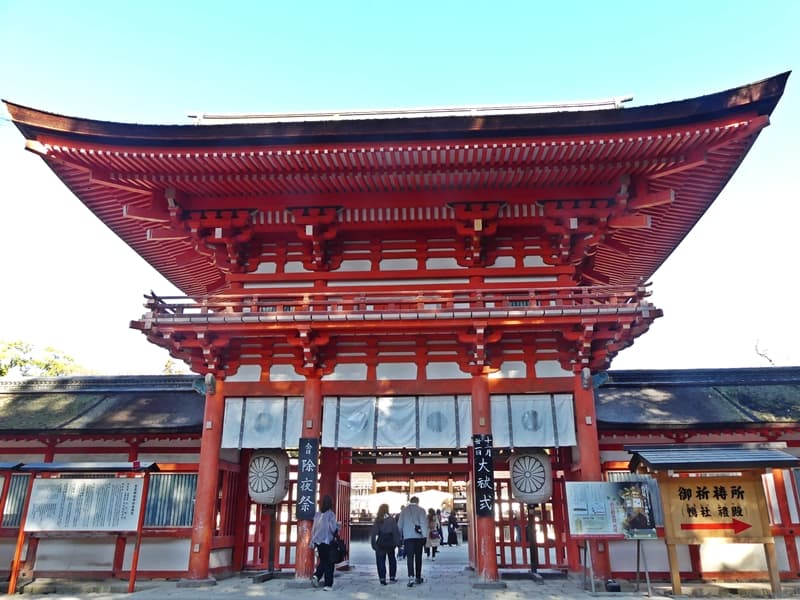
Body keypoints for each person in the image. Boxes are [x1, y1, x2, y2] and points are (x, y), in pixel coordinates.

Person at [310, 495, 339, 591]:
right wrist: (338, 525)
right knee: (329, 564)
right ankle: (328, 585)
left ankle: (317, 576)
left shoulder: (317, 514)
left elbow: (314, 529)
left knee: (323, 560)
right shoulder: (330, 514)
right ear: (331, 503)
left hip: (318, 541)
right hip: (327, 541)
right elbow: (333, 529)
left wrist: (312, 540)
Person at [397, 496, 427, 587]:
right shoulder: (422, 510)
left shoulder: (404, 511)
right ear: (418, 502)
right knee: (418, 557)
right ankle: (418, 577)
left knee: (410, 557)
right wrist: (424, 536)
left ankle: (411, 577)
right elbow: (423, 524)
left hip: (408, 537)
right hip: (418, 537)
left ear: (410, 501)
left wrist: (400, 537)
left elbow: (399, 525)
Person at [370, 503, 401, 585]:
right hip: (390, 541)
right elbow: (395, 532)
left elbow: (374, 533)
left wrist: (373, 543)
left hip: (381, 542)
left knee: (380, 561)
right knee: (392, 560)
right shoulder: (391, 519)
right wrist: (398, 543)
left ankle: (382, 579)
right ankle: (392, 577)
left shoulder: (378, 519)